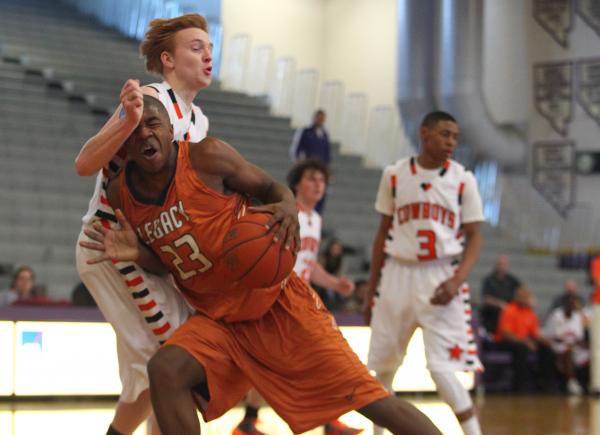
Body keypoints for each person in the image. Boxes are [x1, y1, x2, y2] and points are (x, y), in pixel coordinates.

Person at [81, 96, 442, 435]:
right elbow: (169, 264)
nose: (145, 132)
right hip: (220, 322)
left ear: (168, 128)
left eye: (153, 123)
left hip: (277, 306)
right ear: (124, 141)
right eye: (136, 128)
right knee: (165, 370)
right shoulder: (120, 195)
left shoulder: (206, 157)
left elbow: (272, 187)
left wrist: (287, 207)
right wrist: (139, 255)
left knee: (373, 402)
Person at [74, 14, 213, 435]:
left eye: (210, 46)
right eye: (196, 47)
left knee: (147, 380)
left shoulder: (199, 121)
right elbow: (84, 164)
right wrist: (126, 121)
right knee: (175, 363)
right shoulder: (151, 98)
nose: (207, 54)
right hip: (110, 247)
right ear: (168, 59)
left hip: (148, 255)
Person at [364, 111, 484, 435]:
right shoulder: (393, 175)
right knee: (383, 366)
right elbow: (381, 235)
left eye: (455, 137)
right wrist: (371, 289)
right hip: (397, 273)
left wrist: (457, 280)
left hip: (441, 275)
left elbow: (475, 235)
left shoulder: (463, 179)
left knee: (442, 368)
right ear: (425, 133)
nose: (451, 143)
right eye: (445, 134)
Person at [233, 159, 359, 435]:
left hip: (298, 301)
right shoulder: (283, 213)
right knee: (311, 357)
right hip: (275, 298)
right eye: (312, 178)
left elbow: (310, 265)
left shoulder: (315, 220)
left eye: (321, 180)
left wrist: (335, 284)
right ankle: (325, 421)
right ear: (296, 184)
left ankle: (250, 422)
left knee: (308, 358)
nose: (318, 184)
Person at [495, 287, 555, 393]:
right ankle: (519, 386)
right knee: (521, 350)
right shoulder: (509, 310)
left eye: (527, 297)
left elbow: (535, 334)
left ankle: (545, 384)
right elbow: (506, 334)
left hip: (524, 341)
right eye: (523, 297)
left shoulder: (530, 313)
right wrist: (526, 342)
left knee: (547, 350)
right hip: (505, 342)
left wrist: (546, 342)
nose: (526, 299)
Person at [544, 293, 589, 395]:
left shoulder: (577, 316)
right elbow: (552, 336)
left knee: (592, 354)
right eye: (571, 303)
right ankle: (571, 382)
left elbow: (579, 337)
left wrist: (580, 344)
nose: (574, 306)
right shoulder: (556, 315)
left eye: (575, 304)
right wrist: (568, 342)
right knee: (567, 351)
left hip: (574, 346)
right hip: (558, 345)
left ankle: (588, 383)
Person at [290, 110, 331, 213]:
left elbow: (327, 154)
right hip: (307, 169)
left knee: (318, 197)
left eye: (322, 118)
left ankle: (314, 215)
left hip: (320, 169)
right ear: (314, 118)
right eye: (318, 117)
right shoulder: (306, 132)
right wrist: (300, 166)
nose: (320, 120)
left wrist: (325, 170)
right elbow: (296, 150)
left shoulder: (325, 135)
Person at [480, 255, 522, 335]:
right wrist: (500, 304)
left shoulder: (512, 280)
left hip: (509, 312)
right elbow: (486, 298)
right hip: (493, 312)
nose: (502, 267)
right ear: (496, 265)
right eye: (500, 264)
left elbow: (521, 292)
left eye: (504, 264)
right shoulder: (489, 280)